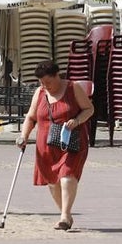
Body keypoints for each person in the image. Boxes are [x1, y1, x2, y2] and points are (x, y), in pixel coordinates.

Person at [16, 59, 95, 230]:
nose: (46, 86)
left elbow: (89, 109)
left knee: (67, 176)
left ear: (57, 75)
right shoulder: (40, 93)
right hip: (46, 146)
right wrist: (24, 136)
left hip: (71, 142)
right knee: (52, 183)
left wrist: (77, 120)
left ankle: (65, 217)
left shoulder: (73, 88)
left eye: (48, 82)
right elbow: (31, 117)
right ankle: (65, 214)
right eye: (42, 83)